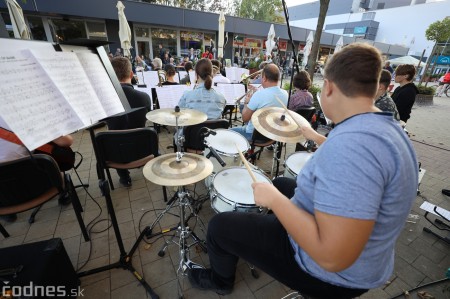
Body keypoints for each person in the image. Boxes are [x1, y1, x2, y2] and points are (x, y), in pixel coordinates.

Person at [187, 43, 418, 299]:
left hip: (329, 273)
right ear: (373, 87)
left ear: (328, 87)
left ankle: (220, 280)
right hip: (369, 258)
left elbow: (331, 257)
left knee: (220, 227)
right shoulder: (389, 130)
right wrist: (316, 137)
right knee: (280, 183)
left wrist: (273, 200)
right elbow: (365, 165)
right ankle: (266, 230)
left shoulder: (352, 148)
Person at [0, 115, 74, 221]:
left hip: (3, 200)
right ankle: (63, 193)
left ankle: (7, 213)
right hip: (39, 186)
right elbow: (66, 141)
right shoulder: (18, 113)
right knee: (50, 159)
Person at [111, 57, 151, 187]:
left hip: (117, 154)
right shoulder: (144, 97)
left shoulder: (106, 101)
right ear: (131, 74)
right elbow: (148, 117)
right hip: (142, 150)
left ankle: (124, 178)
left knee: (115, 139)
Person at [230, 63, 288, 141]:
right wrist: (257, 92)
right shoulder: (285, 93)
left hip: (254, 135)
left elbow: (244, 119)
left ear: (264, 78)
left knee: (228, 132)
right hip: (272, 135)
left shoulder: (259, 95)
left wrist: (246, 103)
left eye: (262, 77)